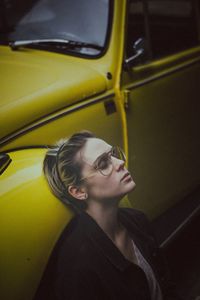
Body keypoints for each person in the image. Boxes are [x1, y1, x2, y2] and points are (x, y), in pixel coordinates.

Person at [34, 131, 181, 300]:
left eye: (113, 155)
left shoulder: (137, 220)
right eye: (103, 163)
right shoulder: (78, 267)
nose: (120, 163)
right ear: (78, 191)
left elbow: (167, 287)